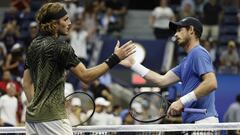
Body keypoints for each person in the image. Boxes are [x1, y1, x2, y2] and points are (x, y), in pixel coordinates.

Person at [22, 2, 135, 135]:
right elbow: (86, 76)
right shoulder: (61, 47)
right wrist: (115, 58)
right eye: (65, 19)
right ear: (54, 24)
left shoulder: (33, 45)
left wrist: (35, 107)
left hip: (32, 118)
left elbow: (26, 83)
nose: (69, 22)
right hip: (53, 118)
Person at [121, 17, 219, 124]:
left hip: (203, 123)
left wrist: (182, 101)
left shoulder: (198, 53)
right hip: (193, 124)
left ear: (191, 30)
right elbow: (161, 80)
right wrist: (133, 65)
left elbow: (211, 83)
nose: (175, 34)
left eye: (179, 30)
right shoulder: (186, 61)